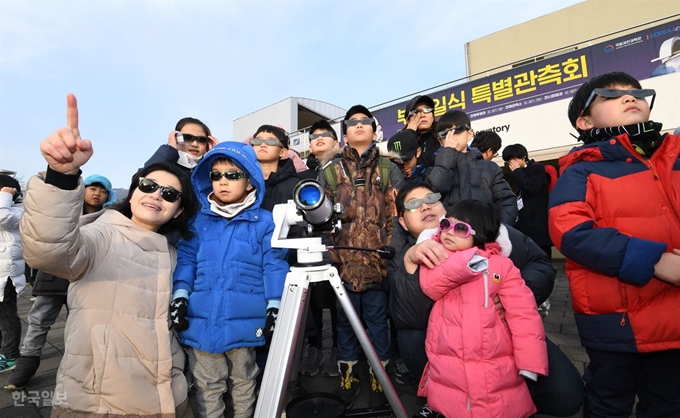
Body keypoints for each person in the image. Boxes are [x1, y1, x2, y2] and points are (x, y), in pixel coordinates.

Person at [19, 93, 199, 417]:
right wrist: (61, 177)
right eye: (148, 185)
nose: (156, 195)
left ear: (178, 210)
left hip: (170, 399)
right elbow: (47, 250)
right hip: (97, 404)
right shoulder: (101, 235)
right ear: (133, 193)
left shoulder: (175, 256)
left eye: (169, 194)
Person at [388, 181, 584, 417]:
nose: (425, 207)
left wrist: (512, 293)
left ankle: (511, 397)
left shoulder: (492, 231)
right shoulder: (401, 255)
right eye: (413, 204)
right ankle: (443, 399)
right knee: (409, 337)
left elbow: (540, 263)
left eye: (431, 199)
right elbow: (407, 317)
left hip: (504, 332)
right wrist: (410, 263)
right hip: (445, 344)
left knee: (567, 396)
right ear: (402, 222)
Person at [550, 71, 680, 417]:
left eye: (638, 93)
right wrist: (657, 261)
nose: (629, 98)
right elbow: (570, 230)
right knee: (609, 402)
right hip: (614, 319)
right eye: (610, 95)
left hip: (674, 318)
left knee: (669, 403)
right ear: (584, 120)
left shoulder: (674, 156)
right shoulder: (581, 170)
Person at [170, 141, 289, 418]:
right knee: (207, 384)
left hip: (246, 320)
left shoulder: (265, 221)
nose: (223, 181)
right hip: (201, 319)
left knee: (245, 380)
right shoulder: (198, 221)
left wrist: (274, 304)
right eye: (216, 175)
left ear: (250, 182)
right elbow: (187, 260)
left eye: (233, 175)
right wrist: (180, 296)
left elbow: (274, 264)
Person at [417, 199, 548, 417]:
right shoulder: (436, 256)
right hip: (449, 357)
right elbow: (431, 286)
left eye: (460, 228)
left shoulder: (502, 266)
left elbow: (523, 313)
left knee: (499, 403)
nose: (449, 232)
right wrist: (468, 262)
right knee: (452, 402)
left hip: (495, 356)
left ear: (480, 235)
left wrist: (531, 361)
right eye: (446, 225)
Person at [317, 105, 404, 408]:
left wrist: (392, 253)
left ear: (374, 129)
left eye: (364, 121)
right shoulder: (329, 169)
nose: (358, 126)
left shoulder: (388, 167)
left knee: (379, 322)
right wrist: (329, 257)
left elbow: (396, 215)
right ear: (344, 133)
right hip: (341, 265)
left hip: (377, 262)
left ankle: (380, 380)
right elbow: (320, 219)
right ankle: (348, 378)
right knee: (344, 324)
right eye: (352, 122)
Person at [4, 174, 116, 389]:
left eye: (103, 191)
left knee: (84, 326)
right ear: (82, 190)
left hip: (87, 278)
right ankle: (27, 362)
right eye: (93, 188)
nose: (97, 193)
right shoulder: (67, 211)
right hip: (54, 277)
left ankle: (84, 370)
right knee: (38, 320)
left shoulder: (108, 218)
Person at [297, 119, 340, 377]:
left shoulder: (343, 168)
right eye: (314, 137)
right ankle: (313, 349)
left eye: (325, 135)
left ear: (336, 141)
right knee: (310, 301)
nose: (319, 139)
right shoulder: (301, 174)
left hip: (337, 244)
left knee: (337, 301)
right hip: (308, 245)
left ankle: (337, 348)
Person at [426, 109, 518, 225]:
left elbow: (507, 201)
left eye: (457, 130)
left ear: (470, 134)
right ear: (440, 140)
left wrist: (497, 230)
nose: (451, 137)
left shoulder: (490, 167)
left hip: (485, 236)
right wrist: (447, 155)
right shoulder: (434, 170)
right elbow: (432, 195)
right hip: (450, 236)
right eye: (444, 134)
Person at [503, 144, 552, 257]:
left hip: (537, 221)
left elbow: (532, 187)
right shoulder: (518, 173)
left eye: (514, 159)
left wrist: (517, 172)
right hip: (524, 221)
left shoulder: (537, 168)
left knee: (541, 256)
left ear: (523, 156)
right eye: (509, 160)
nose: (512, 162)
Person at [0, 174, 25, 374]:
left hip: (7, 274)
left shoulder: (19, 211)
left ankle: (11, 356)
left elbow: (3, 219)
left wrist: (5, 197)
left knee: (7, 315)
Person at [140, 117, 218, 178]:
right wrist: (170, 150)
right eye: (188, 137)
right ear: (176, 138)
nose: (195, 144)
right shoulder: (166, 163)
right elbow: (140, 180)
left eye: (202, 139)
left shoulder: (210, 169)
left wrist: (218, 157)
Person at [249, 125, 300, 212]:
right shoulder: (243, 183)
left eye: (271, 141)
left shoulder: (296, 186)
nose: (263, 144)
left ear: (282, 152)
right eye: (257, 141)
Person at [388, 95, 439, 168]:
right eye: (416, 111)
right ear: (408, 120)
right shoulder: (401, 139)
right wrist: (410, 132)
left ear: (433, 116)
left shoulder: (443, 136)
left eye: (427, 109)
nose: (422, 115)